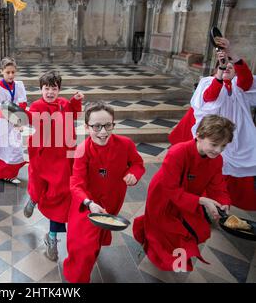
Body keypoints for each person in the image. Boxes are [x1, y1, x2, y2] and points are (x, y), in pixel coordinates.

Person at [133, 115, 234, 272]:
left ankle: (168, 253)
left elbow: (218, 186)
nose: (218, 150)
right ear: (199, 136)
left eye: (223, 146)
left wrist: (223, 202)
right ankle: (160, 251)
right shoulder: (177, 152)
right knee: (165, 229)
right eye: (214, 144)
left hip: (190, 198)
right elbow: (170, 189)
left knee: (193, 231)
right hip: (163, 195)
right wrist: (202, 201)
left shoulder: (216, 160)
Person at [169, 37, 256, 211]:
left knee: (232, 170)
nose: (227, 69)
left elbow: (246, 78)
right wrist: (220, 73)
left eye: (231, 68)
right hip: (215, 131)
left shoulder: (241, 86)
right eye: (224, 67)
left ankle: (224, 200)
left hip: (236, 134)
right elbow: (210, 96)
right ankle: (204, 201)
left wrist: (233, 56)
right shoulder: (209, 82)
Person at [62, 102, 145, 283]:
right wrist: (89, 203)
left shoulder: (126, 144)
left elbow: (138, 164)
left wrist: (134, 174)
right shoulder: (82, 150)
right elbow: (76, 184)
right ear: (86, 127)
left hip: (111, 202)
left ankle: (88, 262)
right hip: (86, 206)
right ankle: (76, 279)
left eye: (108, 125)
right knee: (82, 246)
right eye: (96, 126)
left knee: (95, 241)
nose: (103, 132)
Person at [23, 70, 84, 261]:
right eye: (46, 88)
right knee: (38, 184)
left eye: (54, 88)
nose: (50, 92)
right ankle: (33, 198)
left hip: (63, 157)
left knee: (60, 195)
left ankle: (52, 237)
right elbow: (29, 117)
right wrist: (17, 116)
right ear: (41, 89)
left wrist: (76, 101)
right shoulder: (37, 105)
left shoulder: (64, 103)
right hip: (43, 155)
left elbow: (73, 112)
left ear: (59, 89)